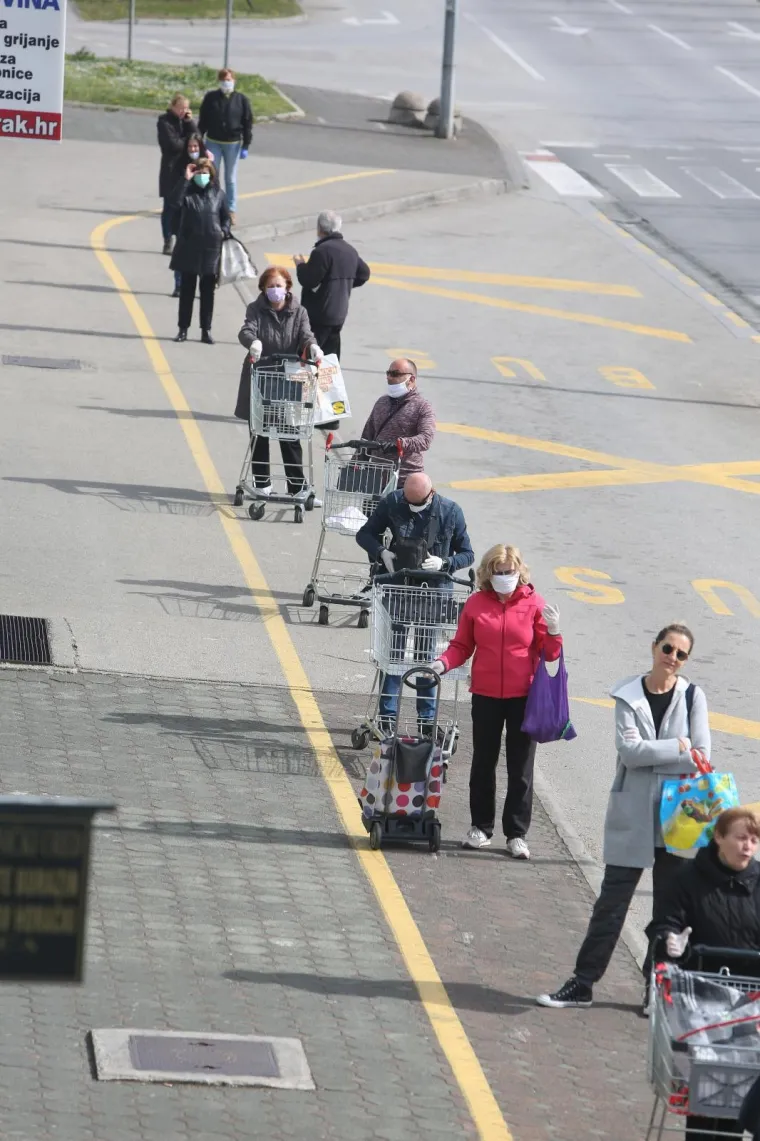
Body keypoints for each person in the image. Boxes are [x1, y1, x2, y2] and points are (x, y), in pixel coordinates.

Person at [536, 622, 710, 1012]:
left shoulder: (694, 697)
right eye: (668, 649)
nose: (673, 658)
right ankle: (582, 984)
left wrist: (668, 750)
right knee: (610, 905)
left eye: (682, 654)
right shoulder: (628, 694)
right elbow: (629, 754)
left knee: (671, 914)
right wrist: (677, 748)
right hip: (632, 811)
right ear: (654, 648)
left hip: (679, 814)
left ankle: (656, 990)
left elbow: (700, 754)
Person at [431, 544, 561, 861]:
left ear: (520, 572)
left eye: (510, 573)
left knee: (520, 768)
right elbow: (462, 645)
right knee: (483, 763)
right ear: (489, 574)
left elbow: (550, 653)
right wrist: (443, 663)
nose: (505, 578)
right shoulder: (476, 604)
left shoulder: (534, 604)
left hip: (523, 697)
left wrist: (554, 632)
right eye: (499, 573)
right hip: (487, 694)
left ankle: (517, 834)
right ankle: (480, 828)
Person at [650, 807, 760, 1141]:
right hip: (698, 1006)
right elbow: (665, 923)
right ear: (719, 838)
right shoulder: (687, 879)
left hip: (749, 1004)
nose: (748, 847)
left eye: (754, 840)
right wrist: (670, 941)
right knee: (703, 1097)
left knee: (739, 1094)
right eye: (741, 838)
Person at [356, 472, 474, 730]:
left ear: (431, 494)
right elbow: (364, 534)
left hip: (433, 594)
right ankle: (387, 716)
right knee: (394, 655)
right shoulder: (392, 502)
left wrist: (446, 562)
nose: (412, 506)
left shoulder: (451, 512)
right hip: (400, 589)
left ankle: (426, 720)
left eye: (417, 502)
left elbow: (468, 554)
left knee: (425, 657)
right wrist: (381, 552)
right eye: (408, 501)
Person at [235, 266, 323, 496]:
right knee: (260, 432)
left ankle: (297, 486)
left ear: (287, 288)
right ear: (263, 288)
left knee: (290, 435)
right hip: (262, 376)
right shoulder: (256, 309)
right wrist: (253, 342)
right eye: (270, 286)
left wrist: (312, 347)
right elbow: (247, 329)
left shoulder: (299, 311)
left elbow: (305, 334)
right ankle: (262, 483)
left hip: (289, 379)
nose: (275, 290)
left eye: (279, 286)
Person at [293, 211, 370, 359]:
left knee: (308, 357)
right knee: (330, 360)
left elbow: (308, 280)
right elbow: (364, 274)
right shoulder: (349, 250)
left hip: (319, 315)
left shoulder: (322, 252)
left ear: (320, 228)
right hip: (339, 315)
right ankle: (328, 382)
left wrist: (300, 265)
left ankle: (308, 382)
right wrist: (344, 284)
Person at [170, 156, 230, 345]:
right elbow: (174, 204)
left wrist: (224, 230)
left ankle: (206, 329)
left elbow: (226, 218)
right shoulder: (187, 192)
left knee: (207, 293)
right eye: (199, 172)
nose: (202, 176)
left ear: (211, 175)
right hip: (189, 247)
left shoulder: (218, 195)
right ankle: (183, 329)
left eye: (205, 173)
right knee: (187, 292)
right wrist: (185, 179)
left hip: (211, 249)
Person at [359, 360, 435, 487]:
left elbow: (426, 439)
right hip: (375, 478)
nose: (389, 377)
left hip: (405, 481)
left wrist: (401, 443)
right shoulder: (381, 402)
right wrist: (355, 465)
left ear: (411, 379)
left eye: (395, 374)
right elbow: (367, 436)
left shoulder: (422, 407)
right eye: (388, 373)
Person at [198, 68, 252, 227]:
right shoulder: (211, 98)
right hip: (213, 141)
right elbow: (203, 120)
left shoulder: (241, 100)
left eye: (229, 79)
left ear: (234, 80)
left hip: (233, 144)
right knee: (211, 175)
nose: (226, 83)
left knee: (230, 178)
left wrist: (246, 145)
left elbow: (247, 122)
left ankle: (230, 210)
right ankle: (210, 206)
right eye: (223, 80)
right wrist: (198, 139)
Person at [165, 132, 207, 297]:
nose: (193, 149)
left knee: (203, 258)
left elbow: (215, 194)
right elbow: (174, 200)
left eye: (196, 146)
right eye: (190, 147)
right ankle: (179, 285)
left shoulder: (207, 166)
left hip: (203, 223)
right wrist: (186, 179)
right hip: (183, 222)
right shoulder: (179, 166)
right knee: (181, 257)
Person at [157, 93, 197, 255]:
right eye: (181, 108)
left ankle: (182, 239)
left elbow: (197, 138)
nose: (183, 111)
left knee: (185, 208)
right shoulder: (164, 122)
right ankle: (167, 239)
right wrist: (188, 140)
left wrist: (189, 123)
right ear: (173, 106)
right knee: (170, 207)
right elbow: (172, 145)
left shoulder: (185, 122)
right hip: (171, 170)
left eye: (186, 108)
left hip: (186, 168)